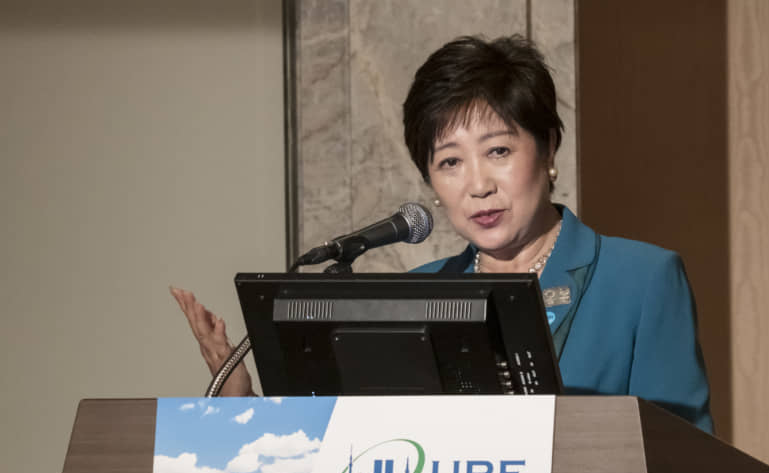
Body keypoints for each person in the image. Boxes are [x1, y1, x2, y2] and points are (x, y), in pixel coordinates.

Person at [171, 35, 713, 433]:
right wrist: (240, 403)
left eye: (498, 151)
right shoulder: (420, 291)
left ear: (548, 149)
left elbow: (686, 461)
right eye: (450, 162)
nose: (477, 185)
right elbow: (353, 447)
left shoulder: (640, 280)